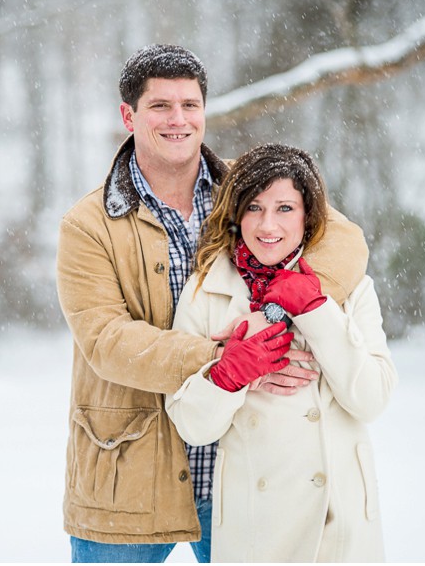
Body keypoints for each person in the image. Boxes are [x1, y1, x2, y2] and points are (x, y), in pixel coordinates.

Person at [55, 45, 370, 563]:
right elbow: (106, 342)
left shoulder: (246, 193)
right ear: (128, 116)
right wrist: (221, 361)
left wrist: (281, 322)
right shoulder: (89, 224)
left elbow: (346, 242)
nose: (178, 120)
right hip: (126, 470)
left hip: (238, 469)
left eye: (190, 105)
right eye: (160, 106)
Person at [165, 143, 398, 562]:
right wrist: (227, 374)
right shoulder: (207, 291)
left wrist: (317, 310)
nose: (267, 225)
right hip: (258, 531)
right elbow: (191, 428)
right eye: (254, 207)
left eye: (285, 208)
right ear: (236, 215)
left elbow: (372, 399)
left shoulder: (347, 286)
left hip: (340, 528)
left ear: (308, 214)